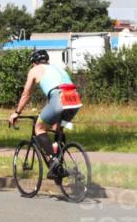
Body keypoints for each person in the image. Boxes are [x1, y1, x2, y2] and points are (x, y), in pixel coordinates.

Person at [7, 50, 82, 178]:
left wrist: (16, 113)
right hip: (74, 99)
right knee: (57, 128)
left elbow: (26, 95)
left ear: (34, 63)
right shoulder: (57, 68)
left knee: (39, 127)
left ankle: (53, 162)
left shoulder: (35, 70)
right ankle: (60, 164)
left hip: (59, 98)